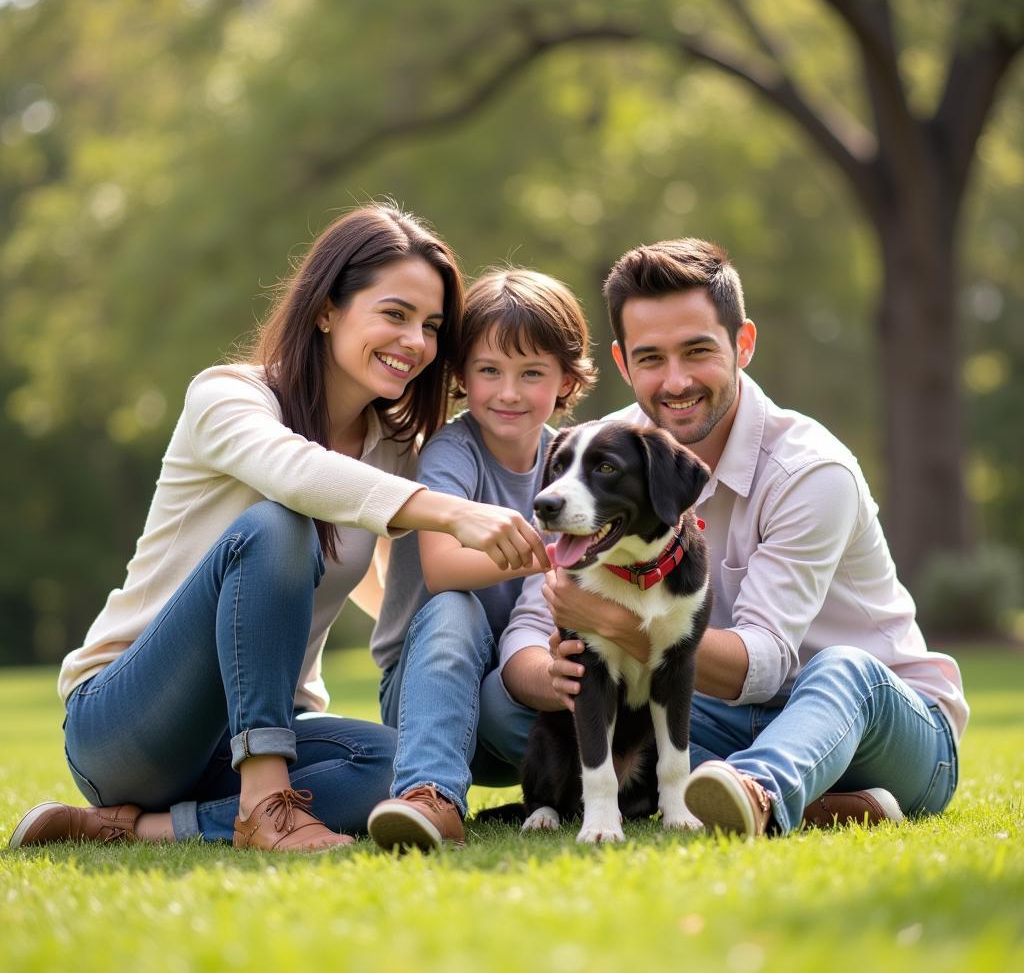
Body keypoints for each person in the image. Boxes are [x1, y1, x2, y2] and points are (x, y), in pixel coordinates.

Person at [8, 205, 548, 854]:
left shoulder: (393, 448)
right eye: (395, 313)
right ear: (326, 309)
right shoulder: (228, 397)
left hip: (264, 726)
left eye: (432, 326)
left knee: (402, 769)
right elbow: (297, 475)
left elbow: (373, 586)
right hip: (129, 725)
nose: (416, 342)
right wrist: (453, 511)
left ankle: (138, 829)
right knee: (277, 526)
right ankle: (265, 804)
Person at [498, 238, 967, 838]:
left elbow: (769, 666)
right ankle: (819, 801)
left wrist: (614, 623)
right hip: (724, 712)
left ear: (743, 343)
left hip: (882, 724)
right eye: (650, 358)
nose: (675, 381)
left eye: (697, 351)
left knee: (841, 669)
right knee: (513, 708)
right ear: (622, 363)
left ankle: (758, 791)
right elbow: (530, 625)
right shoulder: (602, 452)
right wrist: (553, 676)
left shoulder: (810, 470)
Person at [364, 269, 596, 850]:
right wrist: (561, 550)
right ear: (462, 375)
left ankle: (614, 787)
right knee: (456, 609)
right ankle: (431, 796)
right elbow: (443, 569)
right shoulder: (452, 449)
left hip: (511, 696)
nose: (509, 392)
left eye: (532, 373)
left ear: (566, 380)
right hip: (426, 691)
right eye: (489, 371)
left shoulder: (570, 459)